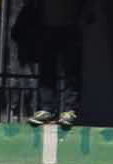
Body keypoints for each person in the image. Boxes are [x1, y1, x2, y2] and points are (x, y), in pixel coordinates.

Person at [26, 0, 83, 128]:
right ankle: (48, 109)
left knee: (71, 70)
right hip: (49, 24)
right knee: (47, 69)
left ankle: (70, 110)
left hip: (70, 24)